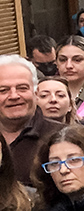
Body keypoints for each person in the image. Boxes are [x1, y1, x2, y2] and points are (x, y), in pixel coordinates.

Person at [0, 55, 63, 185]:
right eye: (3, 90)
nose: (14, 96)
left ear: (36, 93)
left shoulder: (62, 136)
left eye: (22, 88)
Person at [55, 36, 84, 109]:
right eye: (62, 60)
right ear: (56, 63)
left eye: (77, 60)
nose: (68, 66)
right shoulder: (45, 96)